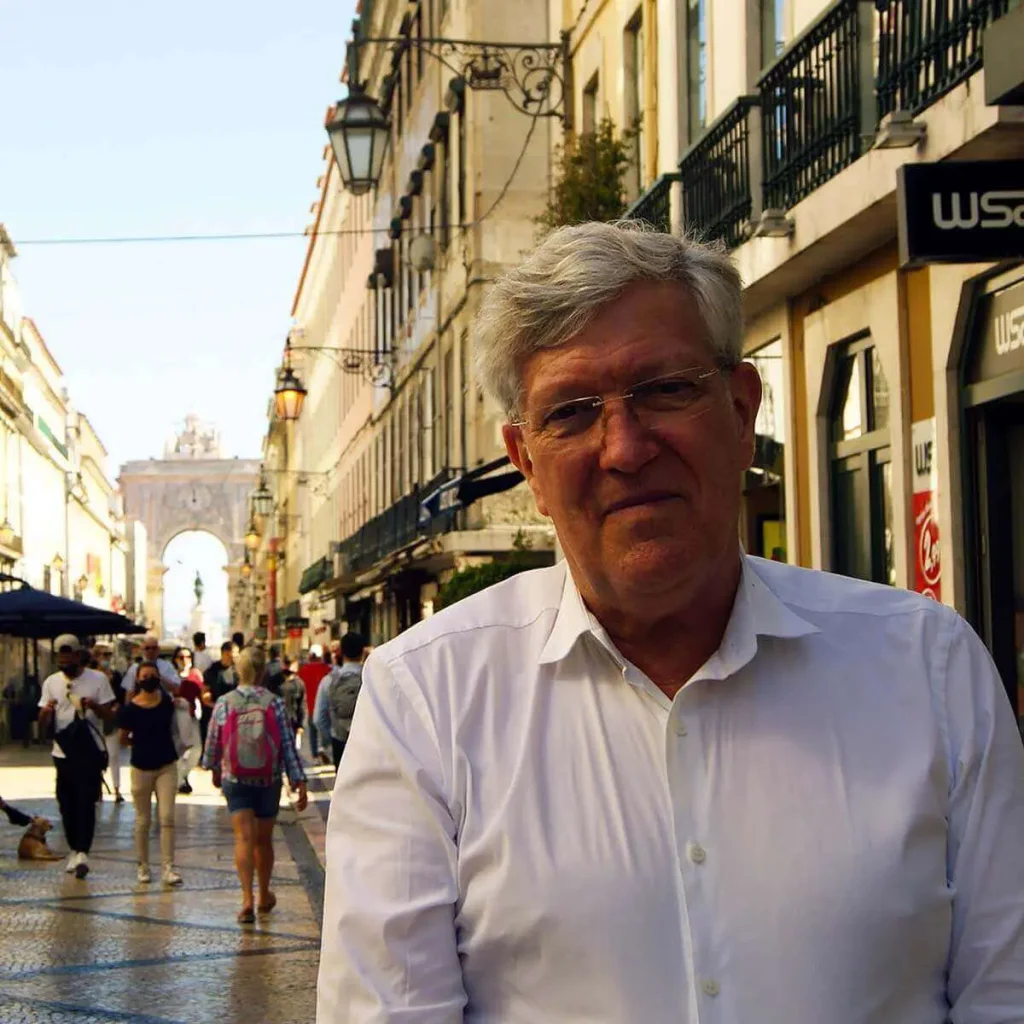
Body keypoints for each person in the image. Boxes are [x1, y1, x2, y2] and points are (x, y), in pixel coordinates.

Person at [317, 222, 1024, 1021]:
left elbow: (1007, 990)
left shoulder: (926, 664)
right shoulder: (427, 700)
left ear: (741, 407)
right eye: (572, 413)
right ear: (527, 464)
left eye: (664, 390)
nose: (624, 447)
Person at [201, 645, 307, 924]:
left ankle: (246, 898)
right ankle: (263, 894)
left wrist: (212, 767)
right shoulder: (274, 702)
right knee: (263, 840)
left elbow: (213, 740)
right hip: (267, 779)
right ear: (262, 671)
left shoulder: (225, 702)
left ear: (239, 670)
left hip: (235, 778)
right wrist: (298, 780)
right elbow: (286, 744)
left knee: (243, 838)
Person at [36, 634, 116, 879]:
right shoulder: (51, 682)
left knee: (85, 802)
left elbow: (110, 715)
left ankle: (83, 851)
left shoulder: (98, 680)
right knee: (66, 802)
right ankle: (74, 848)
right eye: (60, 655)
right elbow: (41, 723)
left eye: (68, 655)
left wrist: (94, 706)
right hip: (63, 751)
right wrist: (47, 713)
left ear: (79, 655)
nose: (64, 659)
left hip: (89, 750)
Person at [117, 660, 184, 887]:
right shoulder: (130, 710)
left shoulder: (166, 702)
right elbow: (122, 738)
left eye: (152, 675)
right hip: (141, 767)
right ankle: (143, 866)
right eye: (144, 676)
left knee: (167, 817)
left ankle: (168, 867)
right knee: (142, 820)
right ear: (137, 679)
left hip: (167, 765)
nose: (149, 679)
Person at [314, 633, 364, 769]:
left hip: (340, 741)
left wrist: (329, 739)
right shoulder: (371, 678)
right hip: (368, 743)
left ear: (341, 652)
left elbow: (318, 718)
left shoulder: (329, 681)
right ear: (362, 651)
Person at [92, 642, 126, 804]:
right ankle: (98, 789)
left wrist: (117, 708)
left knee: (114, 755)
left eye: (108, 655)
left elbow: (120, 697)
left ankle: (117, 790)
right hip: (95, 721)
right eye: (103, 655)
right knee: (97, 756)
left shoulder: (116, 675)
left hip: (112, 720)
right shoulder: (91, 676)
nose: (106, 658)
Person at [172, 647, 204, 794]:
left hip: (192, 715)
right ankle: (179, 781)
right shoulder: (171, 675)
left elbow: (202, 693)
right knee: (179, 748)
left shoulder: (196, 674)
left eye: (187, 657)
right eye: (181, 657)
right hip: (176, 715)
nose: (184, 660)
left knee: (196, 749)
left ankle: (182, 776)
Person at [200, 641, 236, 748]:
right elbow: (205, 696)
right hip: (214, 716)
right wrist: (219, 707)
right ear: (225, 653)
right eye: (234, 653)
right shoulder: (212, 671)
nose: (236, 656)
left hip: (234, 717)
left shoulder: (239, 670)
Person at [297, 646, 331, 763]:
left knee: (313, 732)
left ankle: (315, 756)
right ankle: (324, 747)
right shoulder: (326, 669)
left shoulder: (304, 670)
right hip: (326, 707)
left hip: (311, 706)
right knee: (326, 729)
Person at [279, 664, 306, 751]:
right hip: (293, 720)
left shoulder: (280, 686)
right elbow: (302, 706)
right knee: (293, 748)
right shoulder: (300, 683)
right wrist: (301, 725)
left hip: (282, 721)